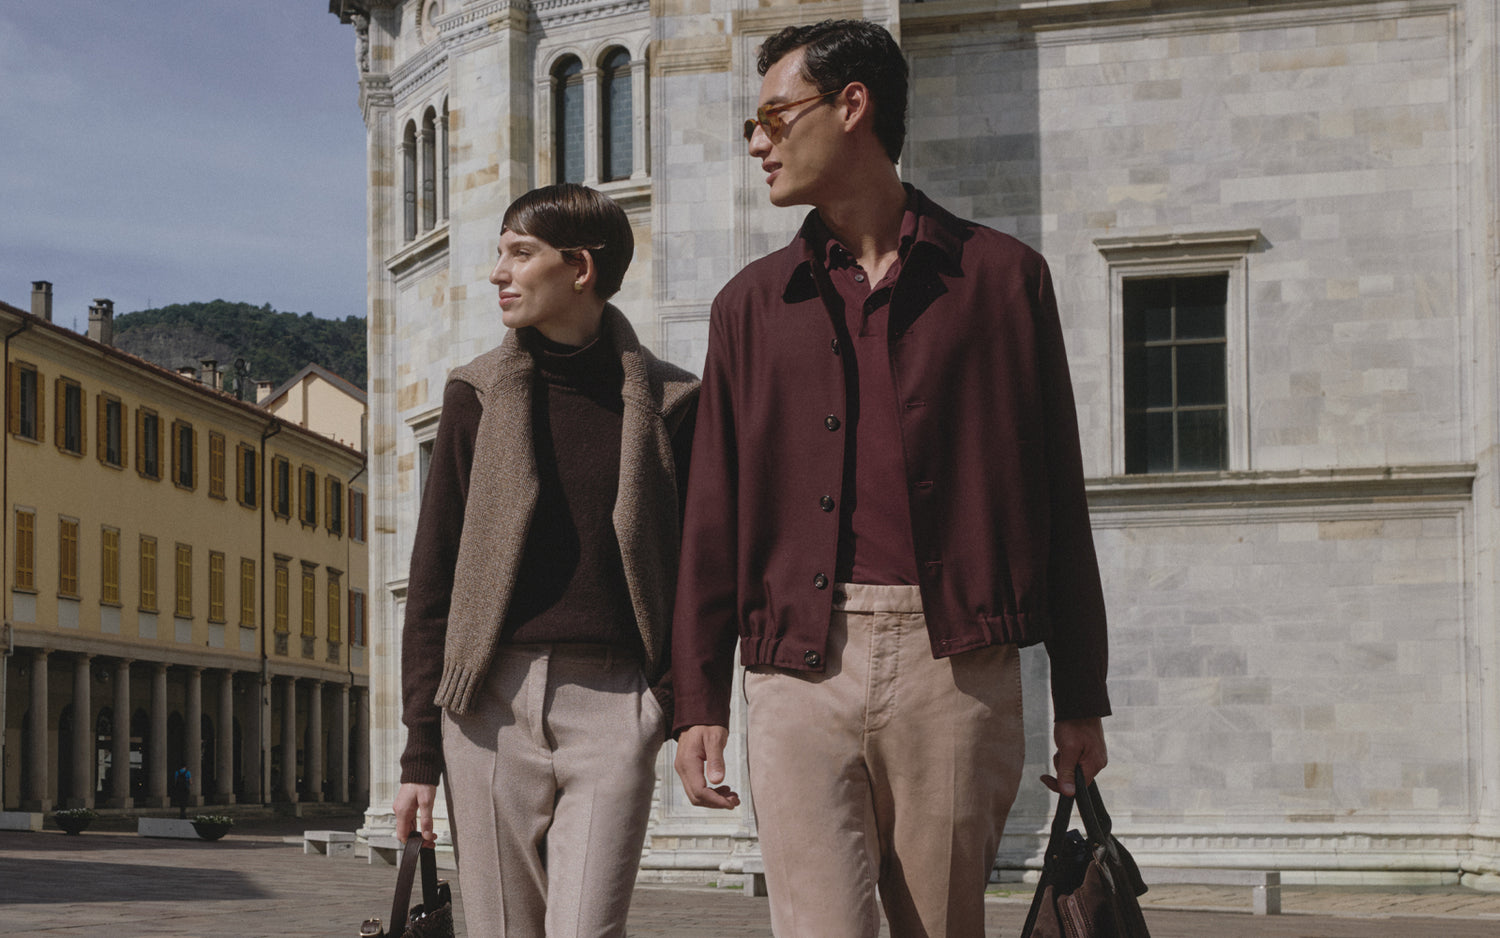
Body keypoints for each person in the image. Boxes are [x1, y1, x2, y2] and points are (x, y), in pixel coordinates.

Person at [671, 19, 1111, 938]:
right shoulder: (748, 306)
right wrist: (697, 699)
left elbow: (1057, 497)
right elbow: (712, 511)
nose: (757, 143)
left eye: (774, 117)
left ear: (853, 106)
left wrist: (1081, 695)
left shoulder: (1004, 281)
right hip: (795, 667)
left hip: (954, 666)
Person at [394, 184, 699, 937]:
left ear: (581, 268)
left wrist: (674, 703)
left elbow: (696, 572)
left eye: (520, 253)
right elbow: (434, 578)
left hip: (615, 702)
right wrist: (420, 753)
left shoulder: (673, 402)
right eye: (499, 252)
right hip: (486, 706)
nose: (497, 272)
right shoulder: (474, 395)